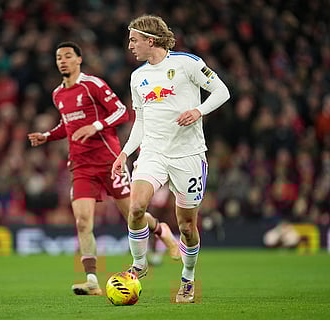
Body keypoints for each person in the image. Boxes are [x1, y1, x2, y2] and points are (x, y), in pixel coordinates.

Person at [28, 41, 179, 296]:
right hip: (81, 164)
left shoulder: (92, 85)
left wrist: (96, 127)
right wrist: (47, 135)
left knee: (133, 214)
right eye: (58, 57)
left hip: (109, 160)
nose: (62, 61)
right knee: (82, 220)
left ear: (79, 59)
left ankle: (161, 230)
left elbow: (121, 112)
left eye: (67, 56)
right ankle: (91, 281)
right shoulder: (58, 94)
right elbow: (68, 126)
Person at [112, 15, 230, 303]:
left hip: (188, 155)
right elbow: (140, 121)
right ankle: (138, 266)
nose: (130, 46)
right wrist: (125, 153)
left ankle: (188, 278)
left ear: (150, 40)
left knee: (187, 227)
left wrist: (199, 111)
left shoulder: (187, 63)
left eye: (133, 40)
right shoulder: (137, 77)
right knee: (136, 207)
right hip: (152, 152)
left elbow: (222, 91)